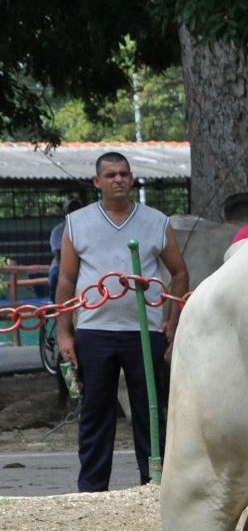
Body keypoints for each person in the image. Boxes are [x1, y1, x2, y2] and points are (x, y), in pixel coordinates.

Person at [55, 151, 189, 492]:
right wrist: (64, 332)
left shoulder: (156, 221)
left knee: (150, 411)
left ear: (132, 179)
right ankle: (92, 488)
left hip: (143, 332)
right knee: (96, 413)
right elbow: (67, 281)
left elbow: (179, 272)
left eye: (124, 174)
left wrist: (172, 322)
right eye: (110, 175)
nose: (118, 180)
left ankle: (154, 483)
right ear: (97, 182)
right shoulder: (78, 223)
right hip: (94, 331)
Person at [47, 198, 84, 300]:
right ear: (64, 213)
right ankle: (55, 304)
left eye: (77, 209)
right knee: (56, 277)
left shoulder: (87, 229)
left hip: (83, 263)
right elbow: (58, 254)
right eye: (71, 209)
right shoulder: (58, 230)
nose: (74, 212)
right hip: (62, 264)